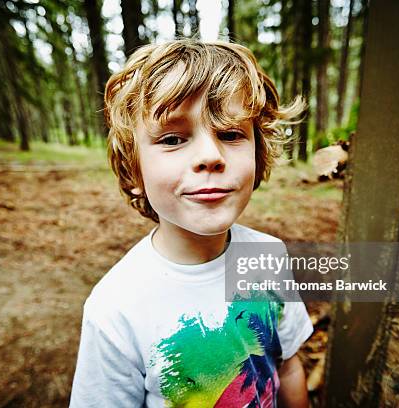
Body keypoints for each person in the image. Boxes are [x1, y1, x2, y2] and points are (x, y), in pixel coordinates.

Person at [69, 39, 313, 408]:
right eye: (172, 138)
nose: (210, 156)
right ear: (134, 169)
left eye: (230, 134)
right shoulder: (115, 308)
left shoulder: (268, 256)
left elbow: (288, 366)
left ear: (258, 154)